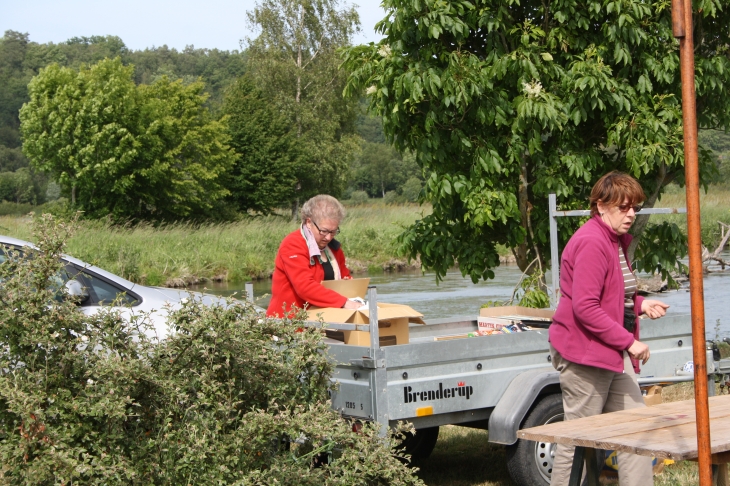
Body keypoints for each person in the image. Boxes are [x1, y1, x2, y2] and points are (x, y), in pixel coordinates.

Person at [548, 171, 670, 486]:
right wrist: (630, 343)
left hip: (611, 354)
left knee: (636, 428)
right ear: (601, 205)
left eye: (635, 208)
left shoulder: (613, 239)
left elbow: (613, 292)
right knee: (579, 440)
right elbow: (585, 307)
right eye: (623, 207)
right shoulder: (591, 241)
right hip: (585, 355)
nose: (631, 214)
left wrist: (640, 303)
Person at [267, 195, 360, 317]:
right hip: (290, 323)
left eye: (333, 231)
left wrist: (348, 284)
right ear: (309, 222)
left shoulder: (334, 248)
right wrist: (343, 302)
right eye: (324, 231)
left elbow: (345, 276)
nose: (328, 237)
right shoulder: (292, 245)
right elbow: (305, 287)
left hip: (322, 319)